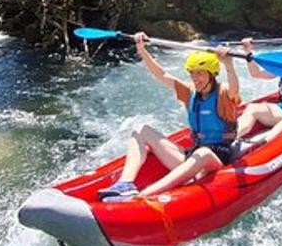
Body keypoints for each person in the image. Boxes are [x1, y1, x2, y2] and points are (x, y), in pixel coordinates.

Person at [99, 34, 240, 201]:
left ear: (212, 74)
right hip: (192, 157)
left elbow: (234, 90)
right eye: (192, 73)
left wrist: (229, 65)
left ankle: (144, 196)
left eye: (200, 73)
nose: (195, 78)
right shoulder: (190, 92)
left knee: (203, 153)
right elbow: (162, 75)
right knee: (140, 129)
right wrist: (142, 51)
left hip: (216, 160)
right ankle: (125, 184)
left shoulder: (223, 93)